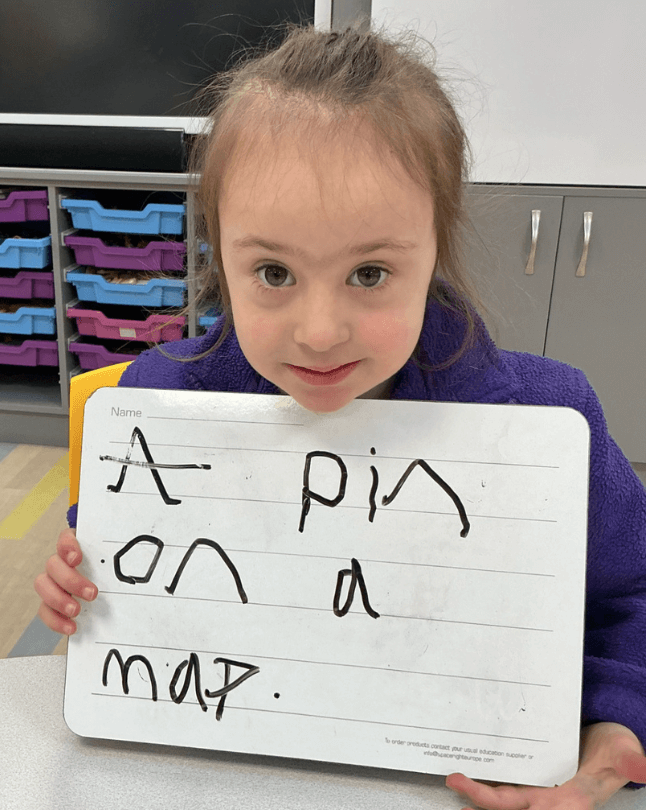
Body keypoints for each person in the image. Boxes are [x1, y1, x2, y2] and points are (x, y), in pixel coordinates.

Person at [35, 23, 646, 809]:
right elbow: (115, 580)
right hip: (211, 779)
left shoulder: (551, 422)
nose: (319, 330)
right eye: (273, 272)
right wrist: (73, 587)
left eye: (369, 271)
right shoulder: (161, 409)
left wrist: (613, 737)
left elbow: (633, 596)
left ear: (436, 248)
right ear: (219, 255)